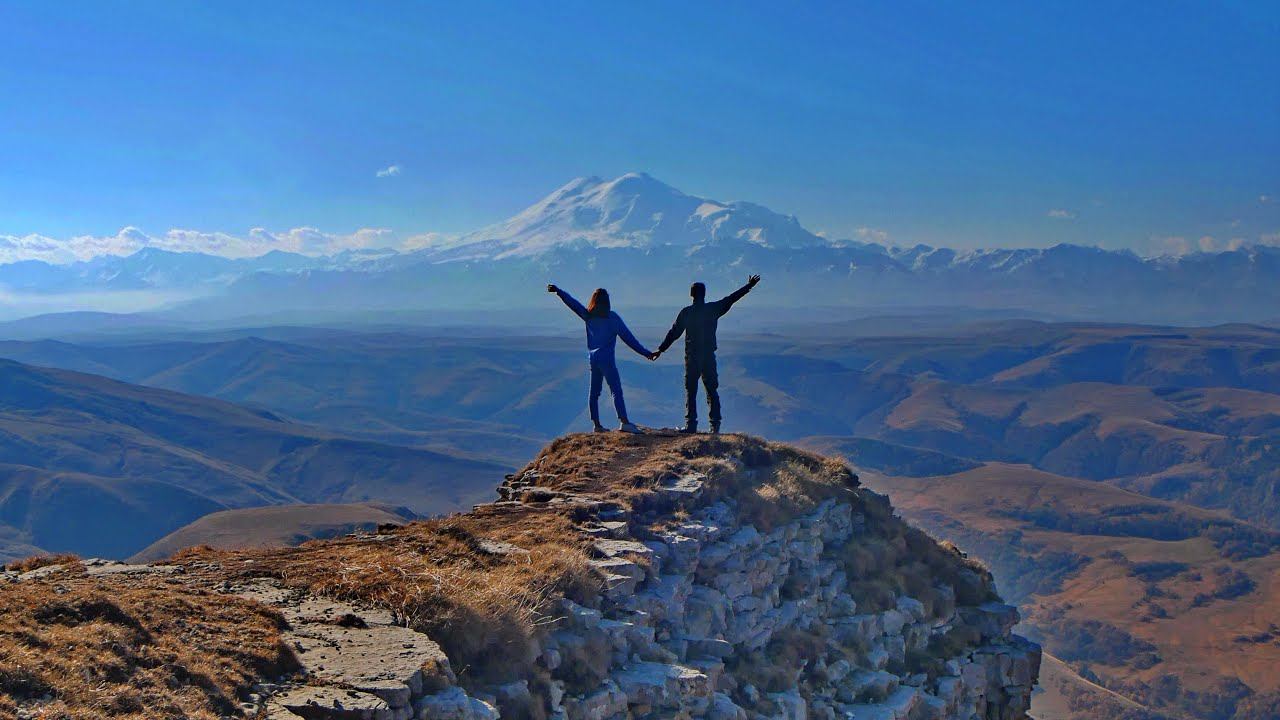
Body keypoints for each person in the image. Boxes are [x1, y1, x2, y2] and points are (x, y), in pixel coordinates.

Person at [652, 275, 761, 433]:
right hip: (709, 356)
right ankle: (714, 425)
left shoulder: (687, 313)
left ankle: (691, 425)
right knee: (711, 389)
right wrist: (748, 286)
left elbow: (674, 333)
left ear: (691, 295)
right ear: (704, 294)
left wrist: (661, 349)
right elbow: (731, 298)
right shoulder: (712, 309)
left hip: (692, 356)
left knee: (691, 389)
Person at [548, 284, 655, 433]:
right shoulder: (612, 318)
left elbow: (572, 303)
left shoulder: (588, 316)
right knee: (616, 390)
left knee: (594, 393)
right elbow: (629, 339)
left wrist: (559, 292)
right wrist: (646, 353)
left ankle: (597, 425)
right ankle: (624, 422)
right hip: (607, 360)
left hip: (593, 359)